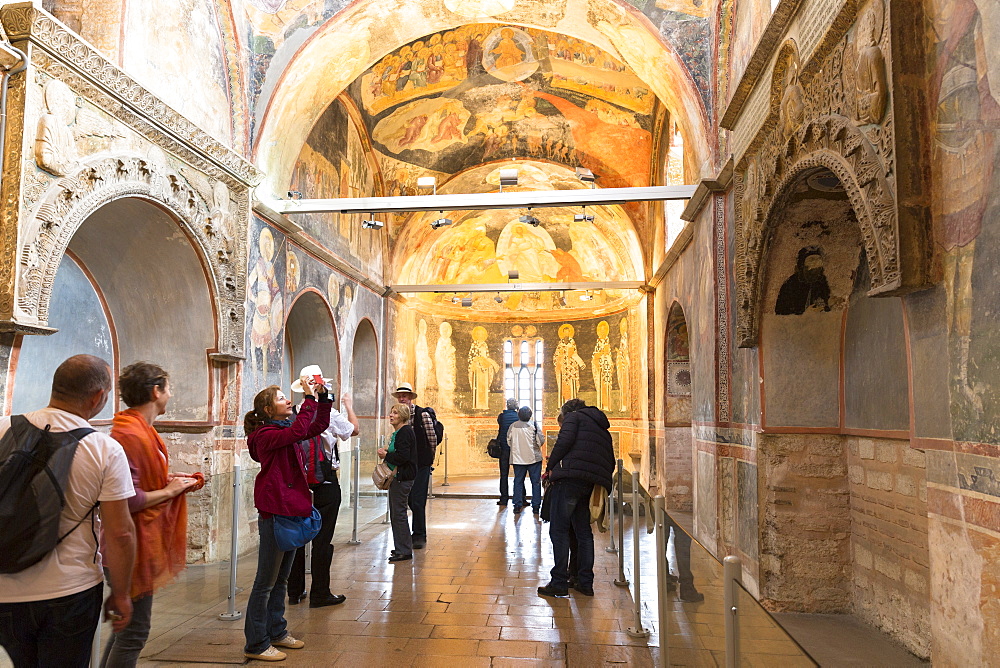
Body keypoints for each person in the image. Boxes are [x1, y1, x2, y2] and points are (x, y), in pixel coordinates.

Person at [0, 355, 136, 667]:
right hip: (68, 590)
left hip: (4, 588)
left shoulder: (4, 428)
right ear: (98, 397)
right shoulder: (103, 448)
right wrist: (122, 593)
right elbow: (120, 533)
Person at [102, 363, 201, 668]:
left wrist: (172, 480)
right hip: (130, 543)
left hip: (139, 540)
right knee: (134, 632)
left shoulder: (139, 429)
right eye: (168, 388)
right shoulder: (130, 434)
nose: (170, 395)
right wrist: (170, 491)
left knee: (126, 629)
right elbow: (128, 498)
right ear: (155, 391)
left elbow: (139, 480)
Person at [243, 378, 332, 662]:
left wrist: (323, 397)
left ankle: (277, 631)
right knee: (265, 582)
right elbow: (300, 428)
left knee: (281, 579)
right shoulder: (266, 435)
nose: (287, 400)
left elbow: (315, 427)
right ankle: (256, 643)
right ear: (268, 409)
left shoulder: (283, 428)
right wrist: (307, 397)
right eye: (282, 398)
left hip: (291, 509)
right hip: (276, 511)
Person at [286, 365, 359, 609]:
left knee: (297, 538)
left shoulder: (293, 415)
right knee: (322, 539)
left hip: (298, 485)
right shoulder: (330, 414)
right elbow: (353, 430)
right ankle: (320, 592)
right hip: (326, 483)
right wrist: (348, 407)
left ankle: (295, 591)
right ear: (321, 385)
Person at [538, 399, 614, 598]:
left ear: (567, 412)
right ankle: (584, 582)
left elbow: (563, 442)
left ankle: (559, 582)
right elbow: (610, 460)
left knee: (559, 530)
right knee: (583, 532)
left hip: (569, 481)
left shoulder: (574, 418)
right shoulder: (600, 426)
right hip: (589, 484)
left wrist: (550, 468)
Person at [391, 383, 438, 549]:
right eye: (400, 396)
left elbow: (432, 438)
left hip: (421, 464)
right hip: (407, 465)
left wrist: (428, 460)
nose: (402, 398)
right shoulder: (400, 416)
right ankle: (410, 534)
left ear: (411, 397)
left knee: (417, 500)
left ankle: (419, 534)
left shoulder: (421, 414)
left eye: (405, 396)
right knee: (409, 499)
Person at [377, 403, 417, 562]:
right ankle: (401, 546)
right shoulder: (399, 432)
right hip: (398, 477)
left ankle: (405, 550)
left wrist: (385, 455)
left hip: (402, 477)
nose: (391, 415)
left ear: (402, 416)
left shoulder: (405, 432)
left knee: (399, 513)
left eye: (395, 413)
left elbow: (403, 457)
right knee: (396, 513)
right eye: (391, 412)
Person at [507, 405, 543, 515]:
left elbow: (509, 441)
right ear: (530, 415)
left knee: (518, 482)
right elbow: (540, 440)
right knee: (535, 482)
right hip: (533, 458)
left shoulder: (512, 426)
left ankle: (517, 505)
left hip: (518, 459)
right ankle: (536, 506)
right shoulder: (534, 425)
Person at [496, 398, 518, 506]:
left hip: (504, 448)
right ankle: (520, 498)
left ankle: (504, 499)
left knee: (503, 475)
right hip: (516, 450)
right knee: (519, 475)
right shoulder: (518, 417)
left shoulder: (502, 417)